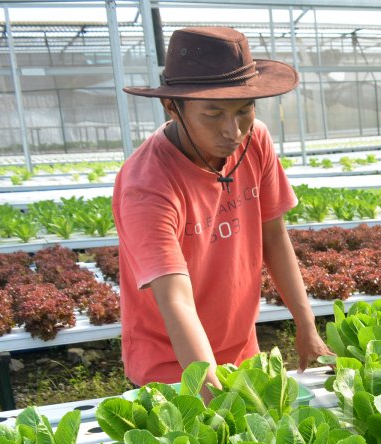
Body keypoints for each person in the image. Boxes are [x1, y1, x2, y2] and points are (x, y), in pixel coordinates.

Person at [115, 26, 331, 390]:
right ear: (172, 106)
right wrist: (209, 391)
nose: (233, 131)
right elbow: (176, 301)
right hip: (172, 369)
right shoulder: (147, 186)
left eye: (244, 111)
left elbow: (274, 238)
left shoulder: (256, 139)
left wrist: (307, 326)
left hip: (241, 353)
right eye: (213, 115)